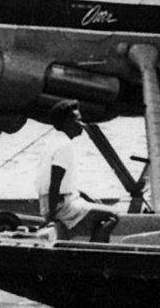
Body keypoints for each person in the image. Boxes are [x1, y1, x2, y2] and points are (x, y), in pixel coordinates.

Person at [35, 100, 118, 242]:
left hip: (55, 202)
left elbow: (61, 183)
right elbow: (55, 183)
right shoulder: (64, 146)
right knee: (113, 216)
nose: (82, 124)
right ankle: (95, 253)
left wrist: (85, 196)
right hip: (61, 206)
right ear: (67, 122)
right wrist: (51, 217)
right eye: (78, 120)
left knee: (95, 208)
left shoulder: (55, 141)